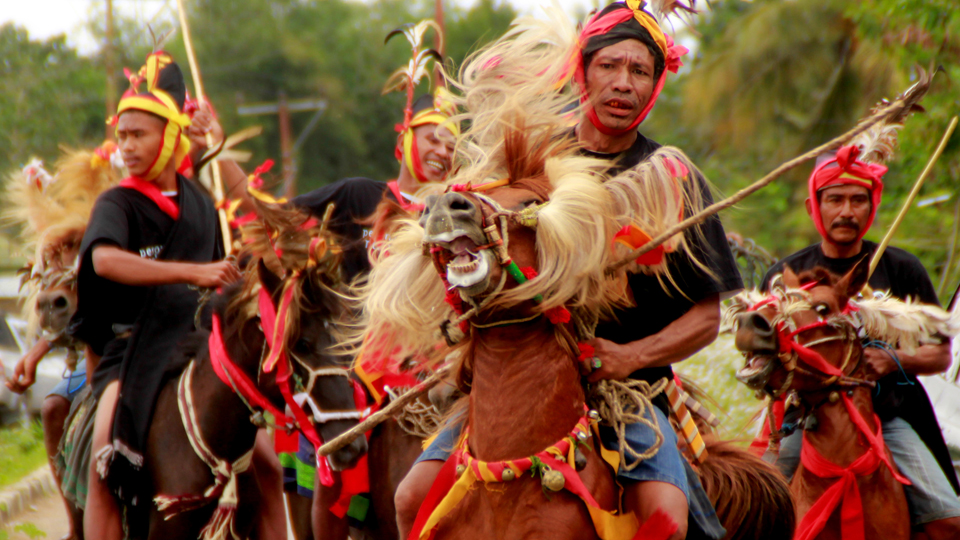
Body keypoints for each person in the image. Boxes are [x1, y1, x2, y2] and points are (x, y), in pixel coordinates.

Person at [394, 3, 743, 539]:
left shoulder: (671, 178)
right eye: (610, 66)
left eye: (640, 71)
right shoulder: (530, 158)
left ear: (655, 85)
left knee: (669, 523)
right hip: (513, 386)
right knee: (410, 498)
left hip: (630, 394)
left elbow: (706, 317)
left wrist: (630, 357)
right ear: (584, 71)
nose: (623, 83)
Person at [67, 51, 240, 540]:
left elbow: (245, 222)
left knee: (266, 464)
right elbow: (102, 261)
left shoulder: (202, 204)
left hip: (198, 348)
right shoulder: (116, 202)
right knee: (106, 453)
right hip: (131, 352)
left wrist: (217, 145)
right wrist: (192, 271)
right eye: (121, 136)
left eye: (138, 134)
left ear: (170, 138)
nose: (126, 146)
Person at [760, 145, 960, 539]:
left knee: (949, 522)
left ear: (873, 205)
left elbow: (939, 354)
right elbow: (765, 354)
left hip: (889, 416)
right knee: (759, 513)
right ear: (812, 206)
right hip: (810, 419)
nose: (847, 211)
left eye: (858, 200)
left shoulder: (902, 269)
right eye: (835, 199)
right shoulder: (786, 277)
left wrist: (894, 361)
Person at [283, 90, 457, 540]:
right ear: (404, 141)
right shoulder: (360, 195)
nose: (442, 151)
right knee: (336, 466)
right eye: (432, 139)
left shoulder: (457, 209)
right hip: (361, 358)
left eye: (452, 147)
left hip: (437, 358)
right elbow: (283, 220)